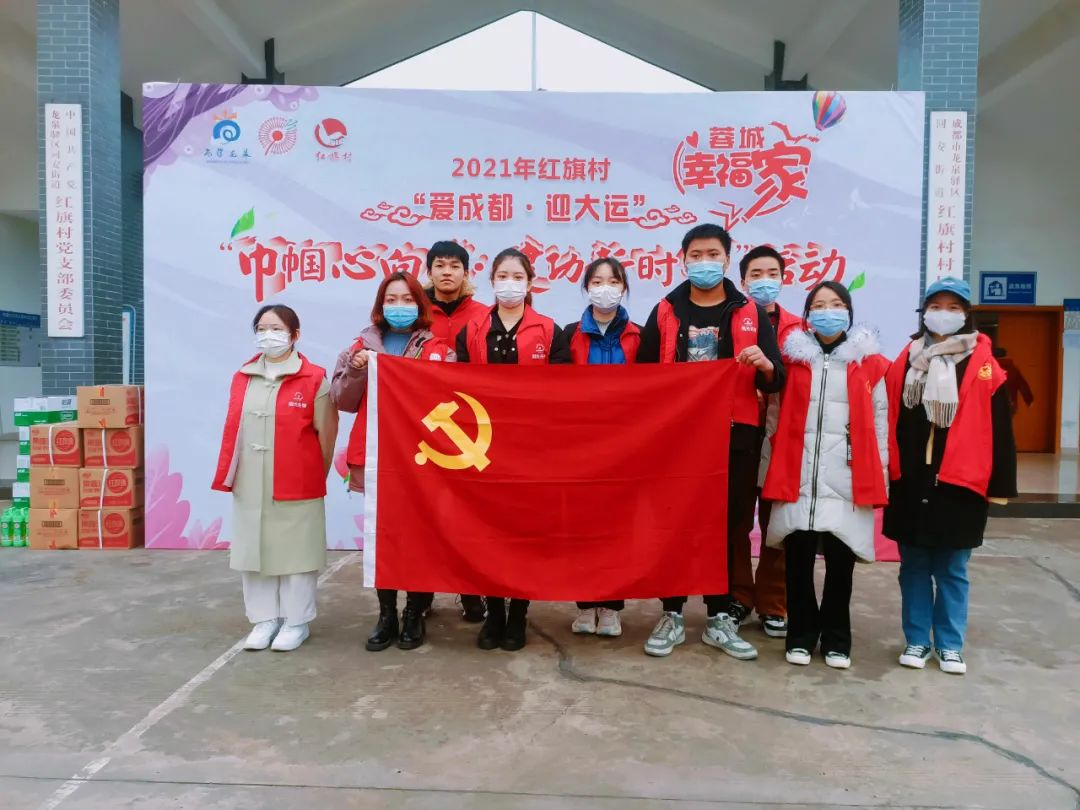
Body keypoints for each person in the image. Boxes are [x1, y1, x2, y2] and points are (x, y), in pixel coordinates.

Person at [637, 223, 785, 660]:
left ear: (727, 259)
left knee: (729, 526)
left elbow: (777, 374)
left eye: (713, 254)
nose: (705, 262)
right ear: (683, 259)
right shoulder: (666, 311)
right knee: (675, 522)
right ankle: (672, 613)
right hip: (678, 437)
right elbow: (643, 374)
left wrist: (764, 364)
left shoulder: (749, 311)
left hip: (736, 434)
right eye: (696, 254)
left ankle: (720, 615)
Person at [884, 278, 1017, 675]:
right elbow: (888, 418)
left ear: (966, 315)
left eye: (953, 307)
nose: (944, 313)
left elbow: (1000, 430)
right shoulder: (906, 360)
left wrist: (999, 486)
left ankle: (950, 644)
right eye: (936, 306)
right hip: (911, 482)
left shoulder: (985, 366)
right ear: (924, 313)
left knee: (953, 570)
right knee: (913, 567)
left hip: (960, 483)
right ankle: (916, 640)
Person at [761, 281, 889, 669]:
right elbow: (773, 420)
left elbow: (880, 424)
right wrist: (767, 472)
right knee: (797, 564)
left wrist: (880, 476)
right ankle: (801, 635)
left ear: (848, 312)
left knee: (840, 566)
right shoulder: (792, 362)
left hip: (847, 477)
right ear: (807, 314)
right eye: (818, 305)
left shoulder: (870, 365)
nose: (827, 311)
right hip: (798, 476)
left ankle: (837, 639)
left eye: (835, 304)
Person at [330, 271, 453, 653]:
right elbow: (341, 400)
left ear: (420, 304)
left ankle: (415, 613)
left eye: (407, 299)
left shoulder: (438, 348)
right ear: (380, 306)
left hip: (422, 458)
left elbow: (450, 398)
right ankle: (386, 615)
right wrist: (357, 369)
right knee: (381, 537)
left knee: (419, 536)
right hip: (376, 455)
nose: (399, 306)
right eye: (392, 300)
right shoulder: (359, 347)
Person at [456, 247, 572, 650]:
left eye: (517, 277)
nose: (510, 284)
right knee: (487, 530)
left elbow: (563, 391)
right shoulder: (471, 330)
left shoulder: (550, 331)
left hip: (531, 447)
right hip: (484, 446)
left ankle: (519, 612)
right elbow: (455, 387)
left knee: (524, 531)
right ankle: (495, 613)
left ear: (530, 282)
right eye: (502, 276)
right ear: (491, 281)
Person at [212, 304, 338, 653]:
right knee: (253, 553)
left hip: (297, 480)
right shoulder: (244, 376)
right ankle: (263, 619)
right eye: (262, 329)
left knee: (298, 554)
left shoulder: (314, 379)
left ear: (295, 335)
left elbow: (326, 435)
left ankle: (297, 622)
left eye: (277, 329)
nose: (269, 335)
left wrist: (311, 472)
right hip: (251, 480)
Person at [563, 256, 641, 637]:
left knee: (618, 527)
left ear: (623, 288)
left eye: (613, 281)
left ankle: (611, 607)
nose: (604, 288)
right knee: (582, 527)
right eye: (597, 281)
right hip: (581, 445)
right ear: (586, 288)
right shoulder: (569, 334)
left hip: (627, 446)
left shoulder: (640, 336)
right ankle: (584, 604)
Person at [734, 245, 802, 640]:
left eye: (771, 273)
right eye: (755, 275)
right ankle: (738, 597)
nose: (764, 281)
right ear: (743, 281)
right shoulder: (732, 319)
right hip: (740, 432)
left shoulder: (799, 330)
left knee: (778, 524)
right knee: (737, 521)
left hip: (783, 436)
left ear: (783, 278)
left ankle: (774, 603)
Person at [423, 240, 490, 624]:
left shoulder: (483, 315)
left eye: (454, 265)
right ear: (429, 270)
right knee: (426, 513)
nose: (446, 272)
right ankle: (422, 592)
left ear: (466, 272)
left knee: (470, 515)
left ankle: (471, 590)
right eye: (439, 265)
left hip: (472, 429)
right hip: (421, 428)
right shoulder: (414, 312)